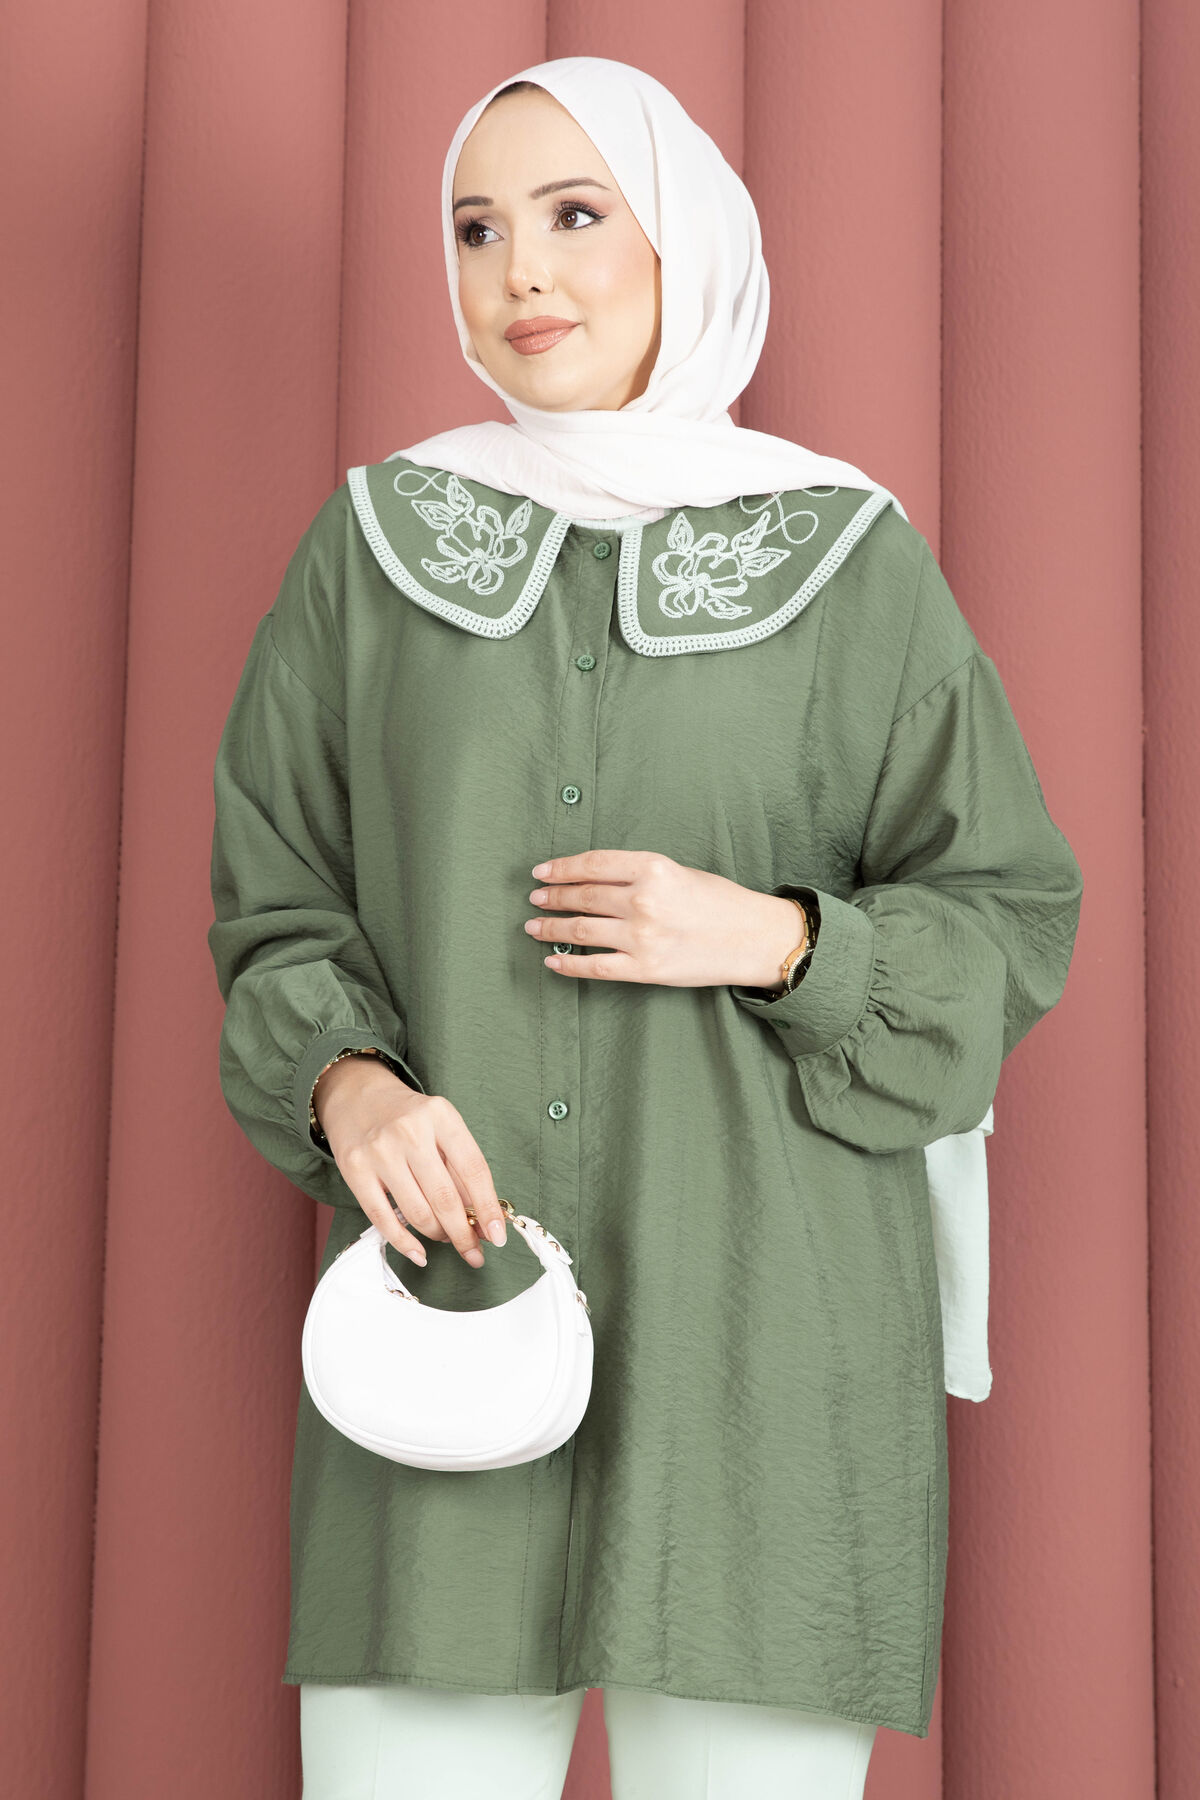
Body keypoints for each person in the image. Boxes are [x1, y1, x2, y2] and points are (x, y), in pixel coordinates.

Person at [206, 55, 1084, 1800]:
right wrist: (348, 1086)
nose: (521, 271)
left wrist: (779, 940)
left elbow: (1008, 914)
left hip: (771, 1349)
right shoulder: (370, 553)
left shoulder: (849, 561)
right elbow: (276, 903)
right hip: (454, 1316)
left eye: (575, 214)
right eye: (477, 229)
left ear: (685, 240)